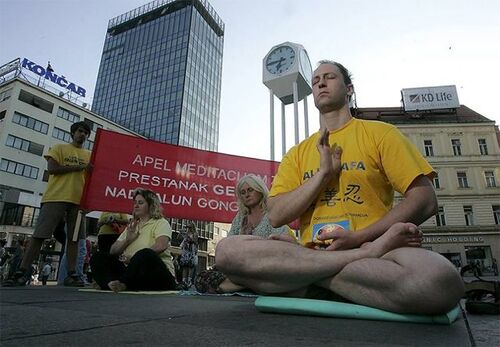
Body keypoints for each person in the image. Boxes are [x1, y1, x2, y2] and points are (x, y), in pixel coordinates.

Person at [215, 60, 464, 315]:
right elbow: (277, 214)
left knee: (440, 281)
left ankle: (299, 281)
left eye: (329, 77)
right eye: (315, 81)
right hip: (312, 251)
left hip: (373, 251)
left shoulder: (381, 134)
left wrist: (360, 239)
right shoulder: (297, 153)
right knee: (227, 251)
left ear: (349, 89)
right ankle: (342, 284)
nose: (320, 82)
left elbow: (425, 199)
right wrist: (323, 175)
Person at [3, 121, 92, 287]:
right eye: (80, 131)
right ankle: (21, 272)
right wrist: (79, 167)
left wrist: (89, 202)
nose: (83, 135)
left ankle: (72, 274)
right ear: (73, 133)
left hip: (78, 202)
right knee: (40, 235)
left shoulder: (89, 155)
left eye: (86, 133)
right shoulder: (59, 148)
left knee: (74, 239)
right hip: (55, 197)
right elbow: (53, 169)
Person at [195, 175, 291, 293]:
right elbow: (228, 244)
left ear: (260, 190)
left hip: (265, 264)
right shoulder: (240, 217)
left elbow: (283, 244)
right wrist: (241, 237)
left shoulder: (272, 213)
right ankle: (253, 286)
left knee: (279, 271)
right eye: (243, 192)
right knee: (201, 279)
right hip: (241, 268)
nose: (246, 194)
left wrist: (253, 242)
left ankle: (246, 285)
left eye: (250, 190)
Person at [89, 188, 177, 292]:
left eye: (140, 203)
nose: (136, 206)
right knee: (98, 256)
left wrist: (134, 259)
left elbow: (161, 246)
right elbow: (113, 251)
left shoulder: (161, 223)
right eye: (135, 202)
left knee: (146, 253)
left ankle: (121, 283)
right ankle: (112, 284)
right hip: (132, 273)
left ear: (151, 205)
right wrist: (127, 240)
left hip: (156, 274)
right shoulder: (132, 226)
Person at [178, 222, 198, 289]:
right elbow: (179, 238)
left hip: (191, 251)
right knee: (184, 266)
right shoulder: (186, 233)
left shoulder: (194, 234)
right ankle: (184, 281)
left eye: (189, 227)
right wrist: (181, 233)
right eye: (187, 227)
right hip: (185, 251)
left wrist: (188, 237)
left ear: (193, 228)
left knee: (190, 266)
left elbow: (195, 241)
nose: (188, 229)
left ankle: (189, 281)